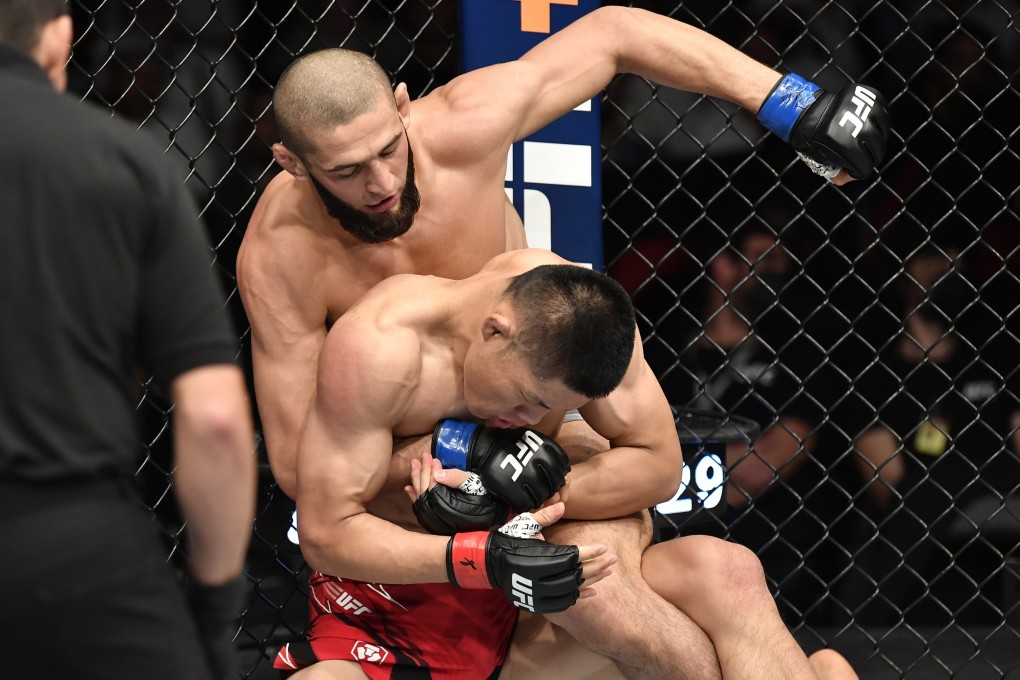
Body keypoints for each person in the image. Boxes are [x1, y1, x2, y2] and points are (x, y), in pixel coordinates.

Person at [238, 8, 885, 678]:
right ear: (289, 161)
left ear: (404, 107)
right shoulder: (282, 259)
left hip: (545, 414)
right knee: (675, 586)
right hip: (407, 475)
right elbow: (298, 464)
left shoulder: (464, 128)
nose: (380, 184)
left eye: (387, 149)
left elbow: (614, 35)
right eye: (345, 171)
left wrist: (786, 99)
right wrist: (461, 454)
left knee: (597, 592)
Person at [0, 3, 258, 679]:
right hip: (71, 537)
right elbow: (215, 417)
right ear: (60, 38)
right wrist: (213, 600)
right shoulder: (125, 161)